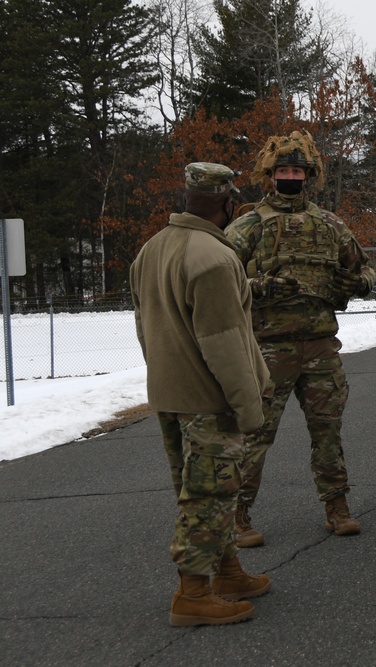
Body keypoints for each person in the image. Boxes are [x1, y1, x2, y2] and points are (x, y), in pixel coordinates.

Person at [130, 162, 271, 626]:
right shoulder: (212, 256)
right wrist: (249, 406)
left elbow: (142, 326)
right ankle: (192, 594)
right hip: (209, 399)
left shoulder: (150, 250)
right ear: (227, 203)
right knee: (208, 495)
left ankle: (227, 572)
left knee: (204, 491)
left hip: (170, 392)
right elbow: (224, 340)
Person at [225, 130, 376, 544]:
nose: (291, 177)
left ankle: (337, 506)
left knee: (327, 431)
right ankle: (237, 515)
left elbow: (365, 270)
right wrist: (259, 286)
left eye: (298, 171)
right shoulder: (248, 226)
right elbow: (220, 280)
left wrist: (357, 283)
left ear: (309, 176)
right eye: (283, 171)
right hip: (269, 348)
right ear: (269, 175)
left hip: (321, 345)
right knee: (256, 434)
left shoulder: (329, 225)